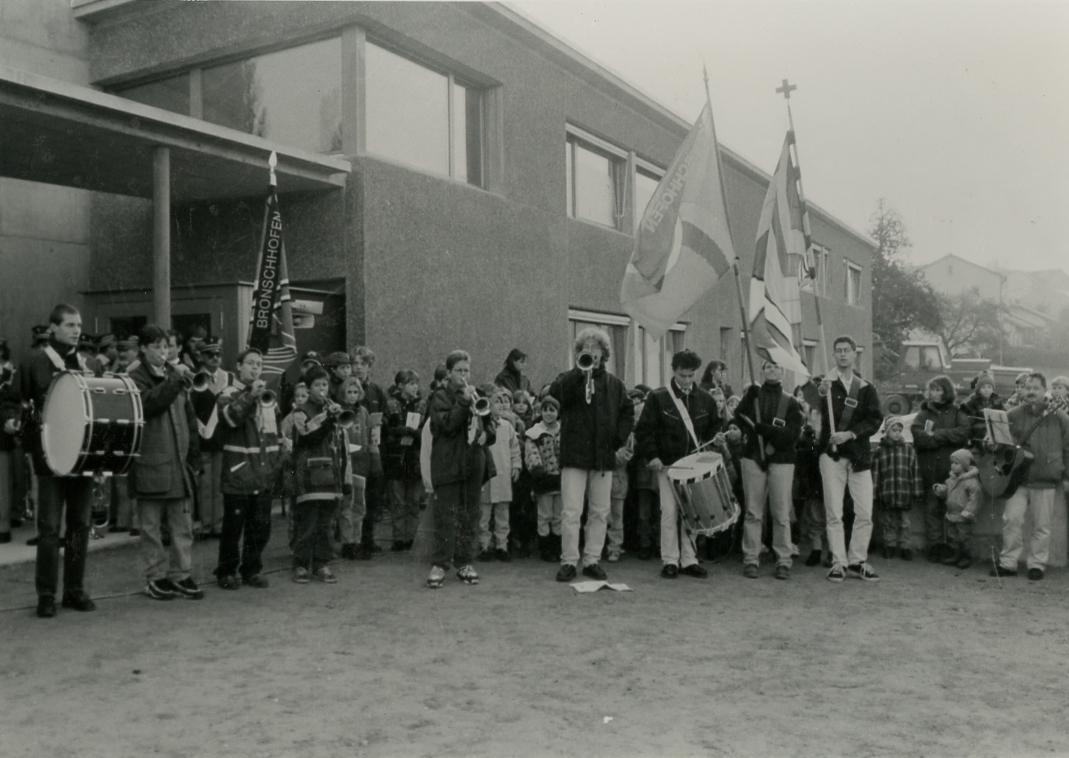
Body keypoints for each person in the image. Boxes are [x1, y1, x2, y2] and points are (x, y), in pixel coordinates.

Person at [12, 305, 101, 617]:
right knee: (49, 529)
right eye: (69, 325)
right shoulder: (33, 362)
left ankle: (74, 590)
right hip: (49, 457)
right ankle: (46, 595)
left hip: (83, 458)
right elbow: (13, 402)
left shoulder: (90, 364)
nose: (76, 330)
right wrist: (15, 423)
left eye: (78, 325)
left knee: (79, 527)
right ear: (53, 328)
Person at [548, 328, 634, 582]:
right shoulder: (569, 378)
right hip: (574, 457)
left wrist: (616, 441)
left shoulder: (615, 384)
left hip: (602, 457)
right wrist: (579, 372)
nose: (591, 352)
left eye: (595, 348)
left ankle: (592, 560)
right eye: (585, 348)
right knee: (571, 512)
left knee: (599, 511)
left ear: (604, 353)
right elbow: (556, 393)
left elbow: (627, 412)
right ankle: (568, 561)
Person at [128, 325, 203, 601]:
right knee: (150, 528)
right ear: (143, 348)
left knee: (182, 525)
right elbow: (150, 405)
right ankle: (155, 577)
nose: (163, 352)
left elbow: (190, 420)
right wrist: (174, 381)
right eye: (157, 347)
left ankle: (181, 574)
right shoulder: (135, 377)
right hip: (150, 463)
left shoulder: (175, 375)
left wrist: (194, 458)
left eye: (166, 346)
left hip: (178, 464)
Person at [636, 351, 725, 578]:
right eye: (682, 375)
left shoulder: (705, 398)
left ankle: (689, 559)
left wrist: (717, 437)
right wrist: (652, 456)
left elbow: (714, 426)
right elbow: (644, 430)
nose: (686, 380)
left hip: (693, 466)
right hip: (667, 465)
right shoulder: (658, 397)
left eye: (690, 376)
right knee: (669, 512)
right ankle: (670, 560)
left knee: (692, 513)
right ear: (673, 371)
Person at [213, 348, 281, 590]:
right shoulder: (228, 393)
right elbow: (230, 419)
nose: (255, 368)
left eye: (259, 364)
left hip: (262, 474)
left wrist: (274, 467)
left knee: (260, 527)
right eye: (250, 363)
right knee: (233, 528)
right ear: (239, 366)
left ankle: (251, 569)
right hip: (238, 473)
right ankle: (226, 571)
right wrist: (250, 396)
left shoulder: (268, 398)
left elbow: (274, 435)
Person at [426, 350, 495, 589]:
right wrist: (464, 401)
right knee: (446, 516)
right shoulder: (440, 396)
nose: (464, 375)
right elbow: (447, 425)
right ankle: (440, 564)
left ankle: (465, 562)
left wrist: (488, 434)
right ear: (449, 373)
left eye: (467, 370)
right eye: (459, 371)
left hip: (473, 461)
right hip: (448, 462)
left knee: (470, 515)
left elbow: (491, 425)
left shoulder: (478, 395)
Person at [817, 335, 883, 583]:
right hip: (831, 455)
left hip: (859, 455)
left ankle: (857, 560)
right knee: (834, 512)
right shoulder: (824, 385)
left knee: (864, 511)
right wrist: (819, 395)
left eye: (847, 350)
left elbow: (875, 420)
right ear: (833, 355)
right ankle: (839, 562)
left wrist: (851, 434)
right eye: (838, 350)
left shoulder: (865, 388)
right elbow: (812, 416)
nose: (843, 354)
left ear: (855, 354)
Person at [990, 373, 1069, 581]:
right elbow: (1001, 444)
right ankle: (1008, 563)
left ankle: (1037, 565)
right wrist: (993, 443)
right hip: (1018, 480)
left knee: (1042, 526)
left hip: (1045, 479)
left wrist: (1067, 476)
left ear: (1045, 391)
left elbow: (1068, 448)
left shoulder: (1060, 417)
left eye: (1036, 388)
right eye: (1028, 388)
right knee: (1011, 521)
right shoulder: (1013, 414)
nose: (1031, 392)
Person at [732, 359, 804, 580]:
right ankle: (751, 558)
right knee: (753, 511)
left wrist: (770, 432)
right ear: (762, 371)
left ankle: (783, 559)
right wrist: (748, 400)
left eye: (776, 366)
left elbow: (793, 434)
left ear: (782, 371)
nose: (772, 370)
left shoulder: (791, 402)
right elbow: (739, 417)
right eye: (768, 367)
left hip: (782, 459)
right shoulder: (753, 396)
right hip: (753, 457)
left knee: (781, 513)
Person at [290, 366, 349, 584]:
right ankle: (301, 564)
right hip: (308, 472)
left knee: (325, 523)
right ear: (308, 388)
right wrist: (329, 420)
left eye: (325, 384)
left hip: (329, 471)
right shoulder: (300, 411)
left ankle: (321, 563)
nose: (322, 389)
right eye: (317, 385)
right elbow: (308, 438)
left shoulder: (331, 409)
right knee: (308, 522)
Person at [911, 375, 970, 562]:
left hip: (952, 474)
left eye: (938, 390)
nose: (934, 393)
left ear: (947, 392)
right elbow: (918, 435)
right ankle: (935, 548)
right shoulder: (924, 413)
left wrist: (937, 435)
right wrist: (944, 439)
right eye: (932, 389)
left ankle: (954, 550)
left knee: (954, 512)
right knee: (932, 511)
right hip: (930, 472)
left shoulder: (957, 412)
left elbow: (963, 433)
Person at [190, 337, 232, 539]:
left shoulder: (229, 378)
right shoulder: (195, 379)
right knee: (205, 485)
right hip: (203, 438)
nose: (215, 358)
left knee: (220, 484)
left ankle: (220, 525)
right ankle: (206, 525)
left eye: (218, 354)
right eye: (210, 354)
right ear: (202, 357)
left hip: (223, 438)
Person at [337, 377, 380, 560]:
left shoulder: (363, 412)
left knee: (359, 505)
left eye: (355, 392)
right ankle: (348, 543)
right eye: (349, 392)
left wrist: (374, 460)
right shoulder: (338, 412)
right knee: (347, 504)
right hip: (346, 464)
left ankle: (357, 540)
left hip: (361, 462)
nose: (353, 395)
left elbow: (370, 436)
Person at [383, 370, 426, 553]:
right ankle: (399, 537)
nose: (415, 387)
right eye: (410, 383)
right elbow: (385, 429)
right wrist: (399, 431)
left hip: (415, 456)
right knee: (398, 501)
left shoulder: (422, 405)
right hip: (396, 457)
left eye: (416, 383)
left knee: (414, 501)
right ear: (400, 385)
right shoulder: (391, 404)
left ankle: (412, 537)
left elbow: (427, 429)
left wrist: (416, 433)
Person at [352, 346, 390, 556]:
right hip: (355, 448)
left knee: (373, 495)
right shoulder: (347, 388)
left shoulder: (376, 390)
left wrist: (382, 422)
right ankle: (353, 541)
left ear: (369, 366)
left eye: (363, 364)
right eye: (355, 363)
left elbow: (386, 414)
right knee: (355, 496)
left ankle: (368, 537)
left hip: (374, 449)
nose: (358, 367)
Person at [871, 416, 924, 560]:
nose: (897, 433)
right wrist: (874, 493)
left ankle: (905, 546)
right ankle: (889, 545)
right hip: (886, 492)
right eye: (894, 430)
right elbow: (875, 473)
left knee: (904, 522)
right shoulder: (880, 451)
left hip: (903, 492)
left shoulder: (908, 450)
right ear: (887, 431)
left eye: (900, 430)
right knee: (887, 522)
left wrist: (917, 491)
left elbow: (915, 470)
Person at [479, 388, 521, 562]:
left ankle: (501, 545)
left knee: (502, 513)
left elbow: (514, 449)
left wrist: (516, 465)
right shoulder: (481, 426)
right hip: (486, 477)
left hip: (503, 475)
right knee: (484, 513)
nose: (502, 405)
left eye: (504, 401)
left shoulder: (507, 427)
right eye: (497, 401)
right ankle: (484, 545)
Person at [525, 395, 563, 562]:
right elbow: (531, 452)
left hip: (561, 479)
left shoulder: (563, 431)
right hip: (544, 479)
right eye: (545, 410)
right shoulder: (535, 432)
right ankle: (545, 548)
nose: (548, 413)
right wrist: (537, 468)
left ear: (557, 412)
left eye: (552, 410)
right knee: (544, 514)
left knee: (559, 515)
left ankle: (557, 546)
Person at [933, 448, 980, 569]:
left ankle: (966, 556)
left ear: (965, 465)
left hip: (963, 515)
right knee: (952, 536)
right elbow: (947, 493)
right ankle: (956, 554)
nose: (953, 466)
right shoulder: (951, 480)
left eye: (956, 463)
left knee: (964, 537)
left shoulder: (971, 482)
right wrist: (941, 490)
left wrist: (969, 511)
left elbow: (975, 498)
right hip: (951, 513)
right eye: (952, 463)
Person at [794, 406, 829, 566]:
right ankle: (816, 549)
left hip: (830, 481)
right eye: (815, 415)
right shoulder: (805, 437)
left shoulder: (831, 435)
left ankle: (833, 551)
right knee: (815, 517)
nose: (817, 419)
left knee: (833, 516)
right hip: (813, 483)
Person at [960, 372, 1004, 451]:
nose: (987, 390)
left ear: (993, 389)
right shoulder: (973, 402)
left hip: (994, 430)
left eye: (989, 387)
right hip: (978, 432)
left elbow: (1004, 414)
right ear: (979, 390)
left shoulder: (997, 400)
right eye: (983, 387)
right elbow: (970, 420)